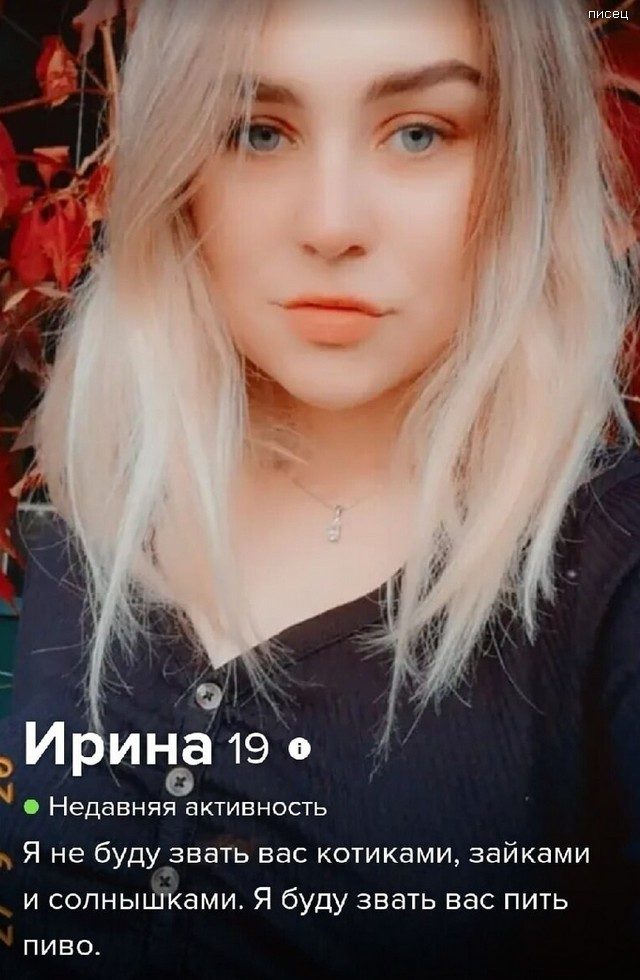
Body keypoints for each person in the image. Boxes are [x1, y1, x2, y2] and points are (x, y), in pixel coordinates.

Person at [1, 0, 640, 976]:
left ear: (527, 158)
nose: (331, 224)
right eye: (259, 131)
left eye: (419, 132)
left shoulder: (611, 577)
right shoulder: (96, 510)